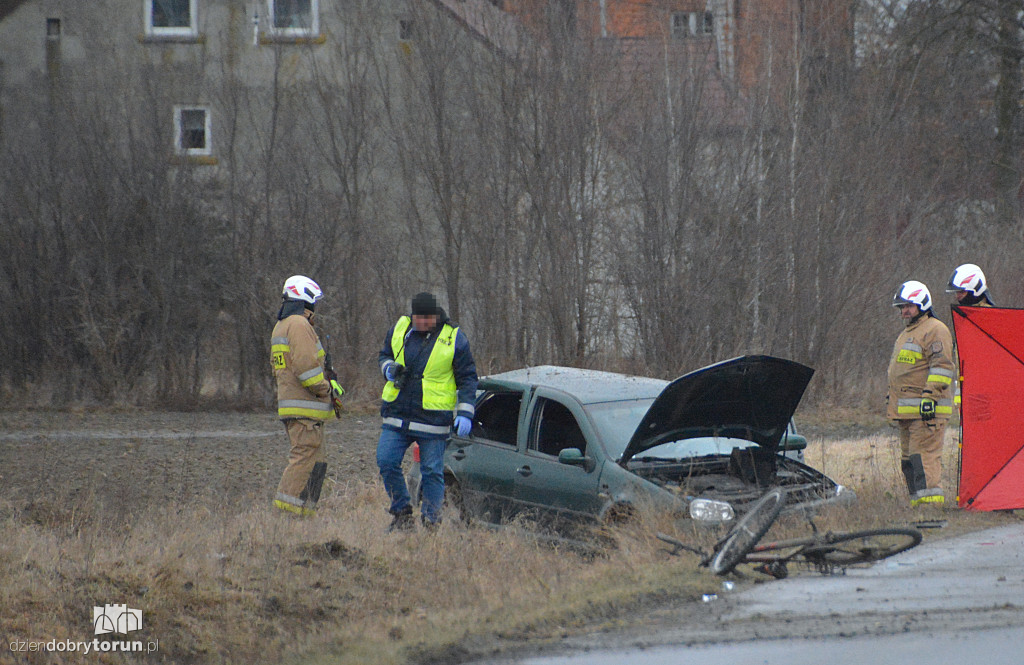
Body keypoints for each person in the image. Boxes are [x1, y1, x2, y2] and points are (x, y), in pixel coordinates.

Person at [376, 292, 478, 531]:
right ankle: (401, 512)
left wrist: (465, 412)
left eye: (427, 318)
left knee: (432, 471)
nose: (422, 323)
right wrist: (388, 369)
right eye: (417, 318)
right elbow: (384, 355)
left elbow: (468, 377)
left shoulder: (454, 338)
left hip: (432, 420)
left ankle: (431, 521)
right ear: (412, 316)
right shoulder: (400, 328)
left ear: (435, 315)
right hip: (397, 413)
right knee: (386, 461)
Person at [270, 275, 343, 517]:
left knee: (316, 463)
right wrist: (327, 388)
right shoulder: (299, 325)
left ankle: (304, 515)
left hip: (298, 410)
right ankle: (285, 518)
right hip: (305, 411)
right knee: (303, 462)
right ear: (306, 299)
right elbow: (306, 370)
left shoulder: (281, 326)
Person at [887, 280, 956, 507]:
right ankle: (917, 506)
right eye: (901, 307)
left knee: (923, 459)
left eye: (909, 306)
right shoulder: (908, 333)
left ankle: (930, 508)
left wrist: (929, 398)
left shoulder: (935, 330)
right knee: (909, 461)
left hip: (927, 411)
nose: (904, 311)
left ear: (922, 304)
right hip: (908, 413)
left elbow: (942, 367)